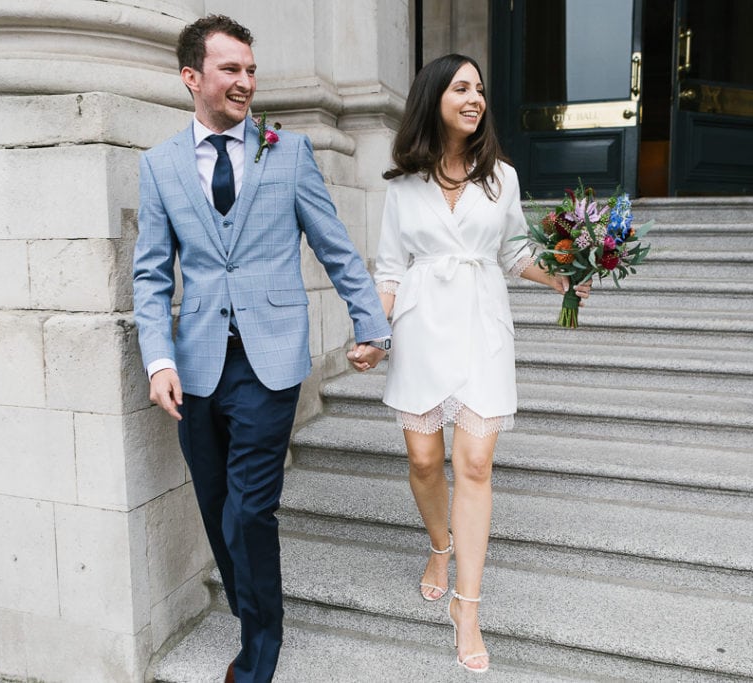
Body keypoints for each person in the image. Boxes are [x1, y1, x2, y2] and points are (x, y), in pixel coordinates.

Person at [132, 15, 392, 683]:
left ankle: (259, 649)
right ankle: (254, 613)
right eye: (231, 70)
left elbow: (334, 244)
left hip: (269, 359)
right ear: (193, 77)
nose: (247, 81)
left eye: (251, 69)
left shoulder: (290, 151)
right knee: (218, 506)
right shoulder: (160, 166)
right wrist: (158, 359)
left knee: (251, 505)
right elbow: (152, 272)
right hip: (195, 365)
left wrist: (371, 322)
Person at [372, 54, 592, 674]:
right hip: (420, 328)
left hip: (482, 330)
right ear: (433, 97)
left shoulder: (503, 178)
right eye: (462, 88)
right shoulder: (401, 184)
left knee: (473, 461)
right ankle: (438, 547)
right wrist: (371, 333)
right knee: (422, 460)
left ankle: (468, 607)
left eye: (480, 90)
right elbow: (389, 268)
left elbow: (515, 249)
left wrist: (564, 278)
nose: (475, 98)